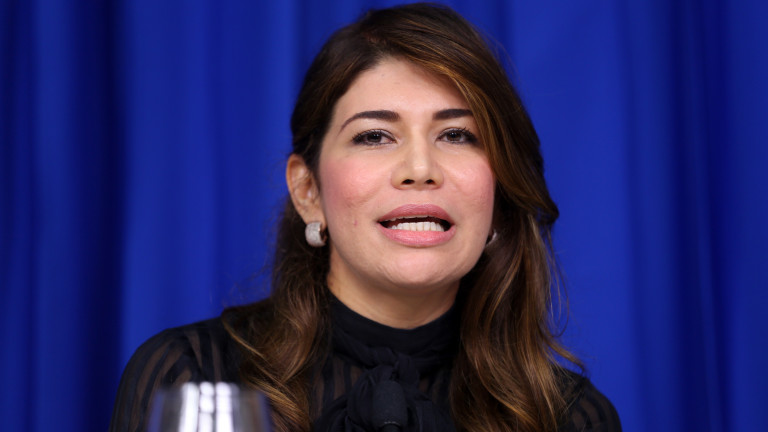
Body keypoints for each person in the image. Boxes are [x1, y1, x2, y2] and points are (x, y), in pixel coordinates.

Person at [109, 3, 621, 431]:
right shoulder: (191, 377)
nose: (420, 169)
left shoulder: (570, 418)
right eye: (375, 136)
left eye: (457, 135)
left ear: (500, 190)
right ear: (308, 191)